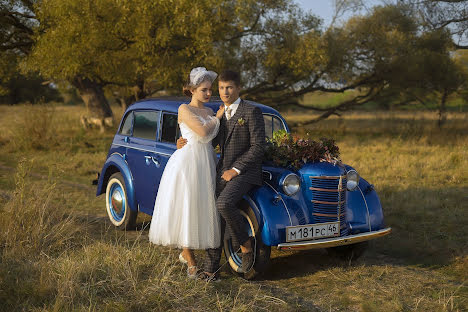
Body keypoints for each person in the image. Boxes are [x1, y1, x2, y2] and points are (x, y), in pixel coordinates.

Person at [177, 70, 265, 281]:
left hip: (245, 172)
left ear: (238, 88)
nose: (225, 92)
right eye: (221, 88)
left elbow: (259, 147)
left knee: (223, 204)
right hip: (221, 171)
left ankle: (245, 245)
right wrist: (180, 142)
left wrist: (236, 170)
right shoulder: (218, 114)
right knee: (212, 217)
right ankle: (211, 268)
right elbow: (209, 140)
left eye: (229, 87)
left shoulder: (251, 111)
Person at [149, 67, 225, 278]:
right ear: (192, 90)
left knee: (201, 206)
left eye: (210, 90)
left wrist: (215, 118)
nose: (208, 94)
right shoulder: (185, 109)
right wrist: (218, 117)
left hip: (206, 161)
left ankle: (187, 252)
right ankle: (190, 260)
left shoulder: (209, 113)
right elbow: (201, 132)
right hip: (188, 162)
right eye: (204, 90)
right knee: (186, 206)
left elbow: (213, 138)